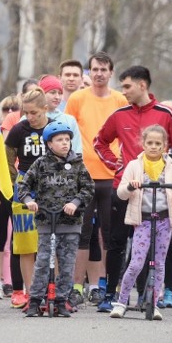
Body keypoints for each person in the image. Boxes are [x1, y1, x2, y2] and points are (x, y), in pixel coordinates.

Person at [94, 65, 172, 316]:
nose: (123, 92)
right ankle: (110, 296)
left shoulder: (166, 114)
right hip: (126, 191)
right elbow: (99, 142)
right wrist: (118, 166)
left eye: (127, 86)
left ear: (142, 85)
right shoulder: (119, 114)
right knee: (117, 242)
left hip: (159, 196)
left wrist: (171, 178)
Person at [64, 52, 127, 308]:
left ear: (111, 72)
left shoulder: (120, 100)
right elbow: (67, 133)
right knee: (81, 233)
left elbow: (126, 135)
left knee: (111, 235)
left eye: (103, 69)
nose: (99, 73)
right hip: (83, 176)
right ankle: (76, 287)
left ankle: (105, 287)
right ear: (89, 73)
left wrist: (123, 163)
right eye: (94, 69)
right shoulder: (78, 98)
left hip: (112, 177)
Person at [111, 125, 172, 319]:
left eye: (158, 144)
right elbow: (121, 193)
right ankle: (121, 301)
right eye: (150, 143)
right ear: (143, 144)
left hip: (163, 220)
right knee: (137, 263)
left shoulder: (170, 168)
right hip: (143, 220)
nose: (154, 147)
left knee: (159, 263)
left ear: (165, 146)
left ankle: (153, 304)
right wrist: (130, 186)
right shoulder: (134, 166)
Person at [18, 121, 94, 317]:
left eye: (67, 139)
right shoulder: (41, 164)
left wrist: (75, 203)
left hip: (70, 223)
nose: (64, 143)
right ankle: (35, 300)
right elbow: (24, 186)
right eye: (59, 140)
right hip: (46, 221)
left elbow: (88, 188)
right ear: (49, 144)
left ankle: (61, 300)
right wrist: (29, 201)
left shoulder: (77, 164)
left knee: (67, 264)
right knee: (43, 262)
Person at [4, 88, 51, 307]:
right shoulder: (18, 130)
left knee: (53, 241)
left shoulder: (54, 128)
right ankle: (31, 293)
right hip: (24, 189)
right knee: (25, 244)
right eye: (26, 112)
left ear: (45, 109)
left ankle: (53, 291)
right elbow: (8, 157)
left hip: (51, 188)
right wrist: (16, 181)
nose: (30, 117)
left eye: (34, 113)